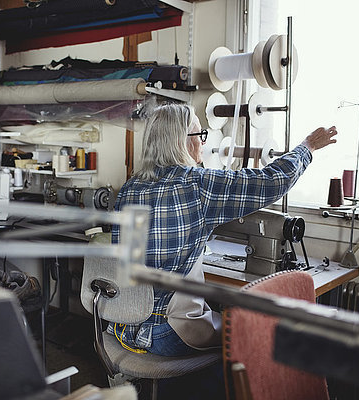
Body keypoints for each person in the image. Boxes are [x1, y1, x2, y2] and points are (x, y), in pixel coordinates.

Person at [110, 102, 338, 358]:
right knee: (255, 332)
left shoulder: (130, 188)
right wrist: (307, 146)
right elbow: (273, 180)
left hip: (122, 324)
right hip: (165, 333)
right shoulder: (197, 184)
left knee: (220, 315)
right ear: (181, 141)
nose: (203, 143)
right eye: (200, 135)